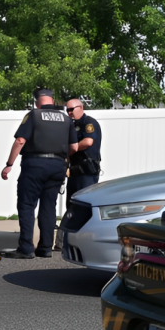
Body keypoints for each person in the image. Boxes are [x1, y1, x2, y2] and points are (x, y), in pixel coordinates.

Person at [1, 88, 77, 259]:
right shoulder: (66, 119)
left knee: (27, 205)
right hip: (58, 166)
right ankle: (45, 248)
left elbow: (20, 140)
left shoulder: (34, 115)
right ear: (52, 99)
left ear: (37, 101)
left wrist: (9, 164)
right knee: (48, 206)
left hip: (35, 164)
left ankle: (26, 248)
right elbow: (74, 147)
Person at [55, 99, 102, 250]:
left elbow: (88, 142)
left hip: (86, 172)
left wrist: (71, 149)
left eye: (71, 109)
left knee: (84, 206)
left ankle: (84, 241)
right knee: (72, 205)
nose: (69, 112)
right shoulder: (71, 125)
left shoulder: (88, 123)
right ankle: (63, 242)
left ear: (80, 108)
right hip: (74, 171)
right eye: (67, 110)